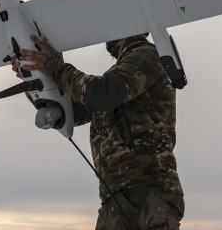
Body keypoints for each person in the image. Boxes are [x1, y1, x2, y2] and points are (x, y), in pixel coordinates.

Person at [12, 34, 185, 229]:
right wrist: (34, 75)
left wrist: (54, 66)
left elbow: (100, 94)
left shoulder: (146, 56)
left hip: (148, 194)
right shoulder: (121, 71)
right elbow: (73, 114)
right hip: (117, 195)